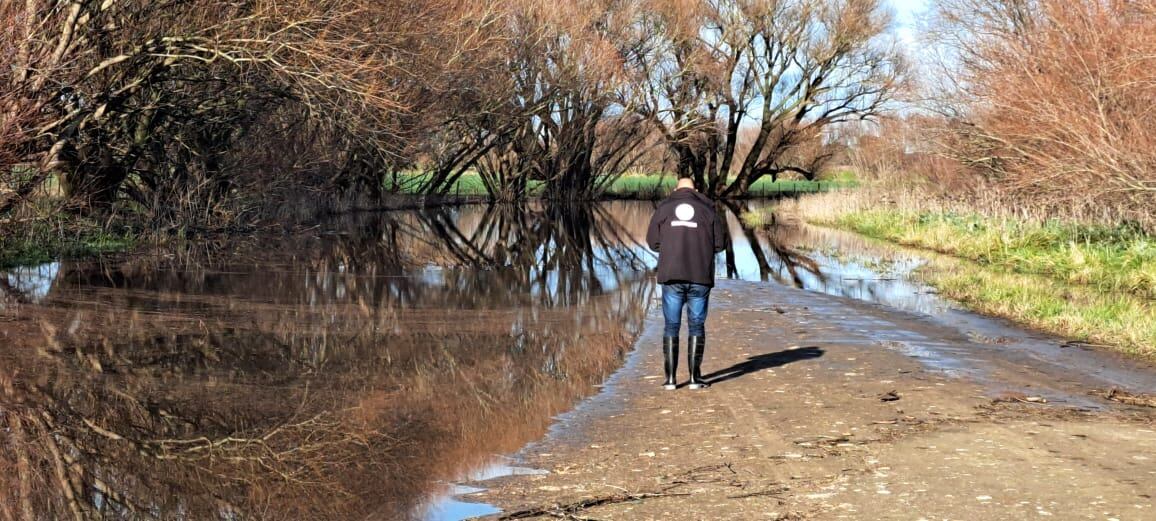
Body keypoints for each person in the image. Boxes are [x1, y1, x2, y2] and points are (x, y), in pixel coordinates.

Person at [646, 178, 726, 390]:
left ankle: (670, 380)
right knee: (696, 325)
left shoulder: (663, 208)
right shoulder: (709, 209)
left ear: (675, 190)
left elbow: (652, 242)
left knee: (671, 325)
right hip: (700, 276)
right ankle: (694, 378)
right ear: (696, 190)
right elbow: (720, 244)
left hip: (671, 275)